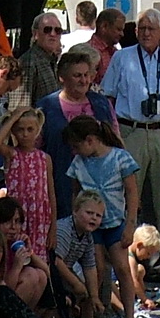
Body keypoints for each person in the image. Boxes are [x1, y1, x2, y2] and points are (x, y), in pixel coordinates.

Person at [101, 9, 160, 284]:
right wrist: (113, 139)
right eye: (141, 27)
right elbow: (108, 97)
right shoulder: (122, 57)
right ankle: (119, 266)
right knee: (127, 200)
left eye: (151, 28)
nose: (146, 33)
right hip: (131, 131)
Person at [65, 115, 143, 318]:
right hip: (91, 227)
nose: (75, 150)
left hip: (115, 222)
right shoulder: (79, 163)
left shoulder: (120, 158)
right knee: (95, 269)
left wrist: (130, 223)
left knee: (122, 268)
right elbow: (75, 193)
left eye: (77, 145)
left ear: (90, 140)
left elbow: (132, 192)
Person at [39, 50, 117, 216]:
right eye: (77, 76)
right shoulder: (46, 107)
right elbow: (35, 149)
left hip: (102, 185)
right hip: (61, 184)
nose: (84, 80)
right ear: (62, 77)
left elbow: (115, 141)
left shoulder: (101, 103)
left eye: (86, 75)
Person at [0, 106, 56, 256]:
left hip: (39, 218)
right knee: (16, 255)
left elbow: (51, 194)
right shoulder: (12, 154)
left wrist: (53, 227)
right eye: (20, 129)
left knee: (38, 258)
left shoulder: (45, 158)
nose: (25, 134)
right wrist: (13, 118)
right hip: (17, 216)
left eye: (30, 129)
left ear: (37, 130)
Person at [52, 191, 107, 318]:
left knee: (88, 284)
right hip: (50, 270)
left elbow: (89, 267)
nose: (93, 218)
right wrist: (76, 284)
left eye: (98, 215)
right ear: (75, 212)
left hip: (65, 269)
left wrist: (94, 296)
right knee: (74, 288)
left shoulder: (87, 236)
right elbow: (56, 261)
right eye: (89, 213)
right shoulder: (64, 229)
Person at [16, 11, 65, 108]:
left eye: (57, 30)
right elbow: (20, 105)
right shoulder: (29, 61)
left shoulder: (53, 61)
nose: (53, 34)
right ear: (35, 34)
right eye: (47, 30)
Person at [87, 8, 124, 87]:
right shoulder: (88, 52)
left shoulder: (116, 52)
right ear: (104, 26)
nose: (122, 34)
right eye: (118, 29)